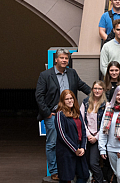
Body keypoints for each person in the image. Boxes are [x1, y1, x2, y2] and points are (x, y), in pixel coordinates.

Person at [35, 49, 92, 181]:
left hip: (70, 115)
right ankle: (54, 171)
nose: (64, 60)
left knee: (70, 142)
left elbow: (82, 85)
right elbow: (39, 96)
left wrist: (96, 94)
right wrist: (47, 113)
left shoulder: (72, 73)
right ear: (56, 59)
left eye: (66, 58)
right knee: (53, 143)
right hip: (54, 115)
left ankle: (69, 170)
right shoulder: (45, 75)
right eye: (62, 58)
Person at [55, 90, 90, 183]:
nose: (70, 101)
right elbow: (62, 135)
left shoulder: (77, 112)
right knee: (66, 178)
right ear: (63, 101)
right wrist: (75, 149)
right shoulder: (60, 114)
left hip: (79, 149)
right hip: (66, 151)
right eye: (67, 99)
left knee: (84, 175)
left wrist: (82, 147)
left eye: (71, 98)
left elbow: (83, 130)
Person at [79, 81, 107, 183]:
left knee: (93, 163)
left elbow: (106, 124)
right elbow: (81, 119)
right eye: (95, 88)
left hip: (98, 138)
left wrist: (96, 137)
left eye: (99, 89)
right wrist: (88, 135)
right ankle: (91, 180)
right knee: (85, 162)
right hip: (86, 136)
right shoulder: (85, 102)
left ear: (103, 90)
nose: (97, 91)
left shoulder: (106, 105)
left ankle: (100, 180)